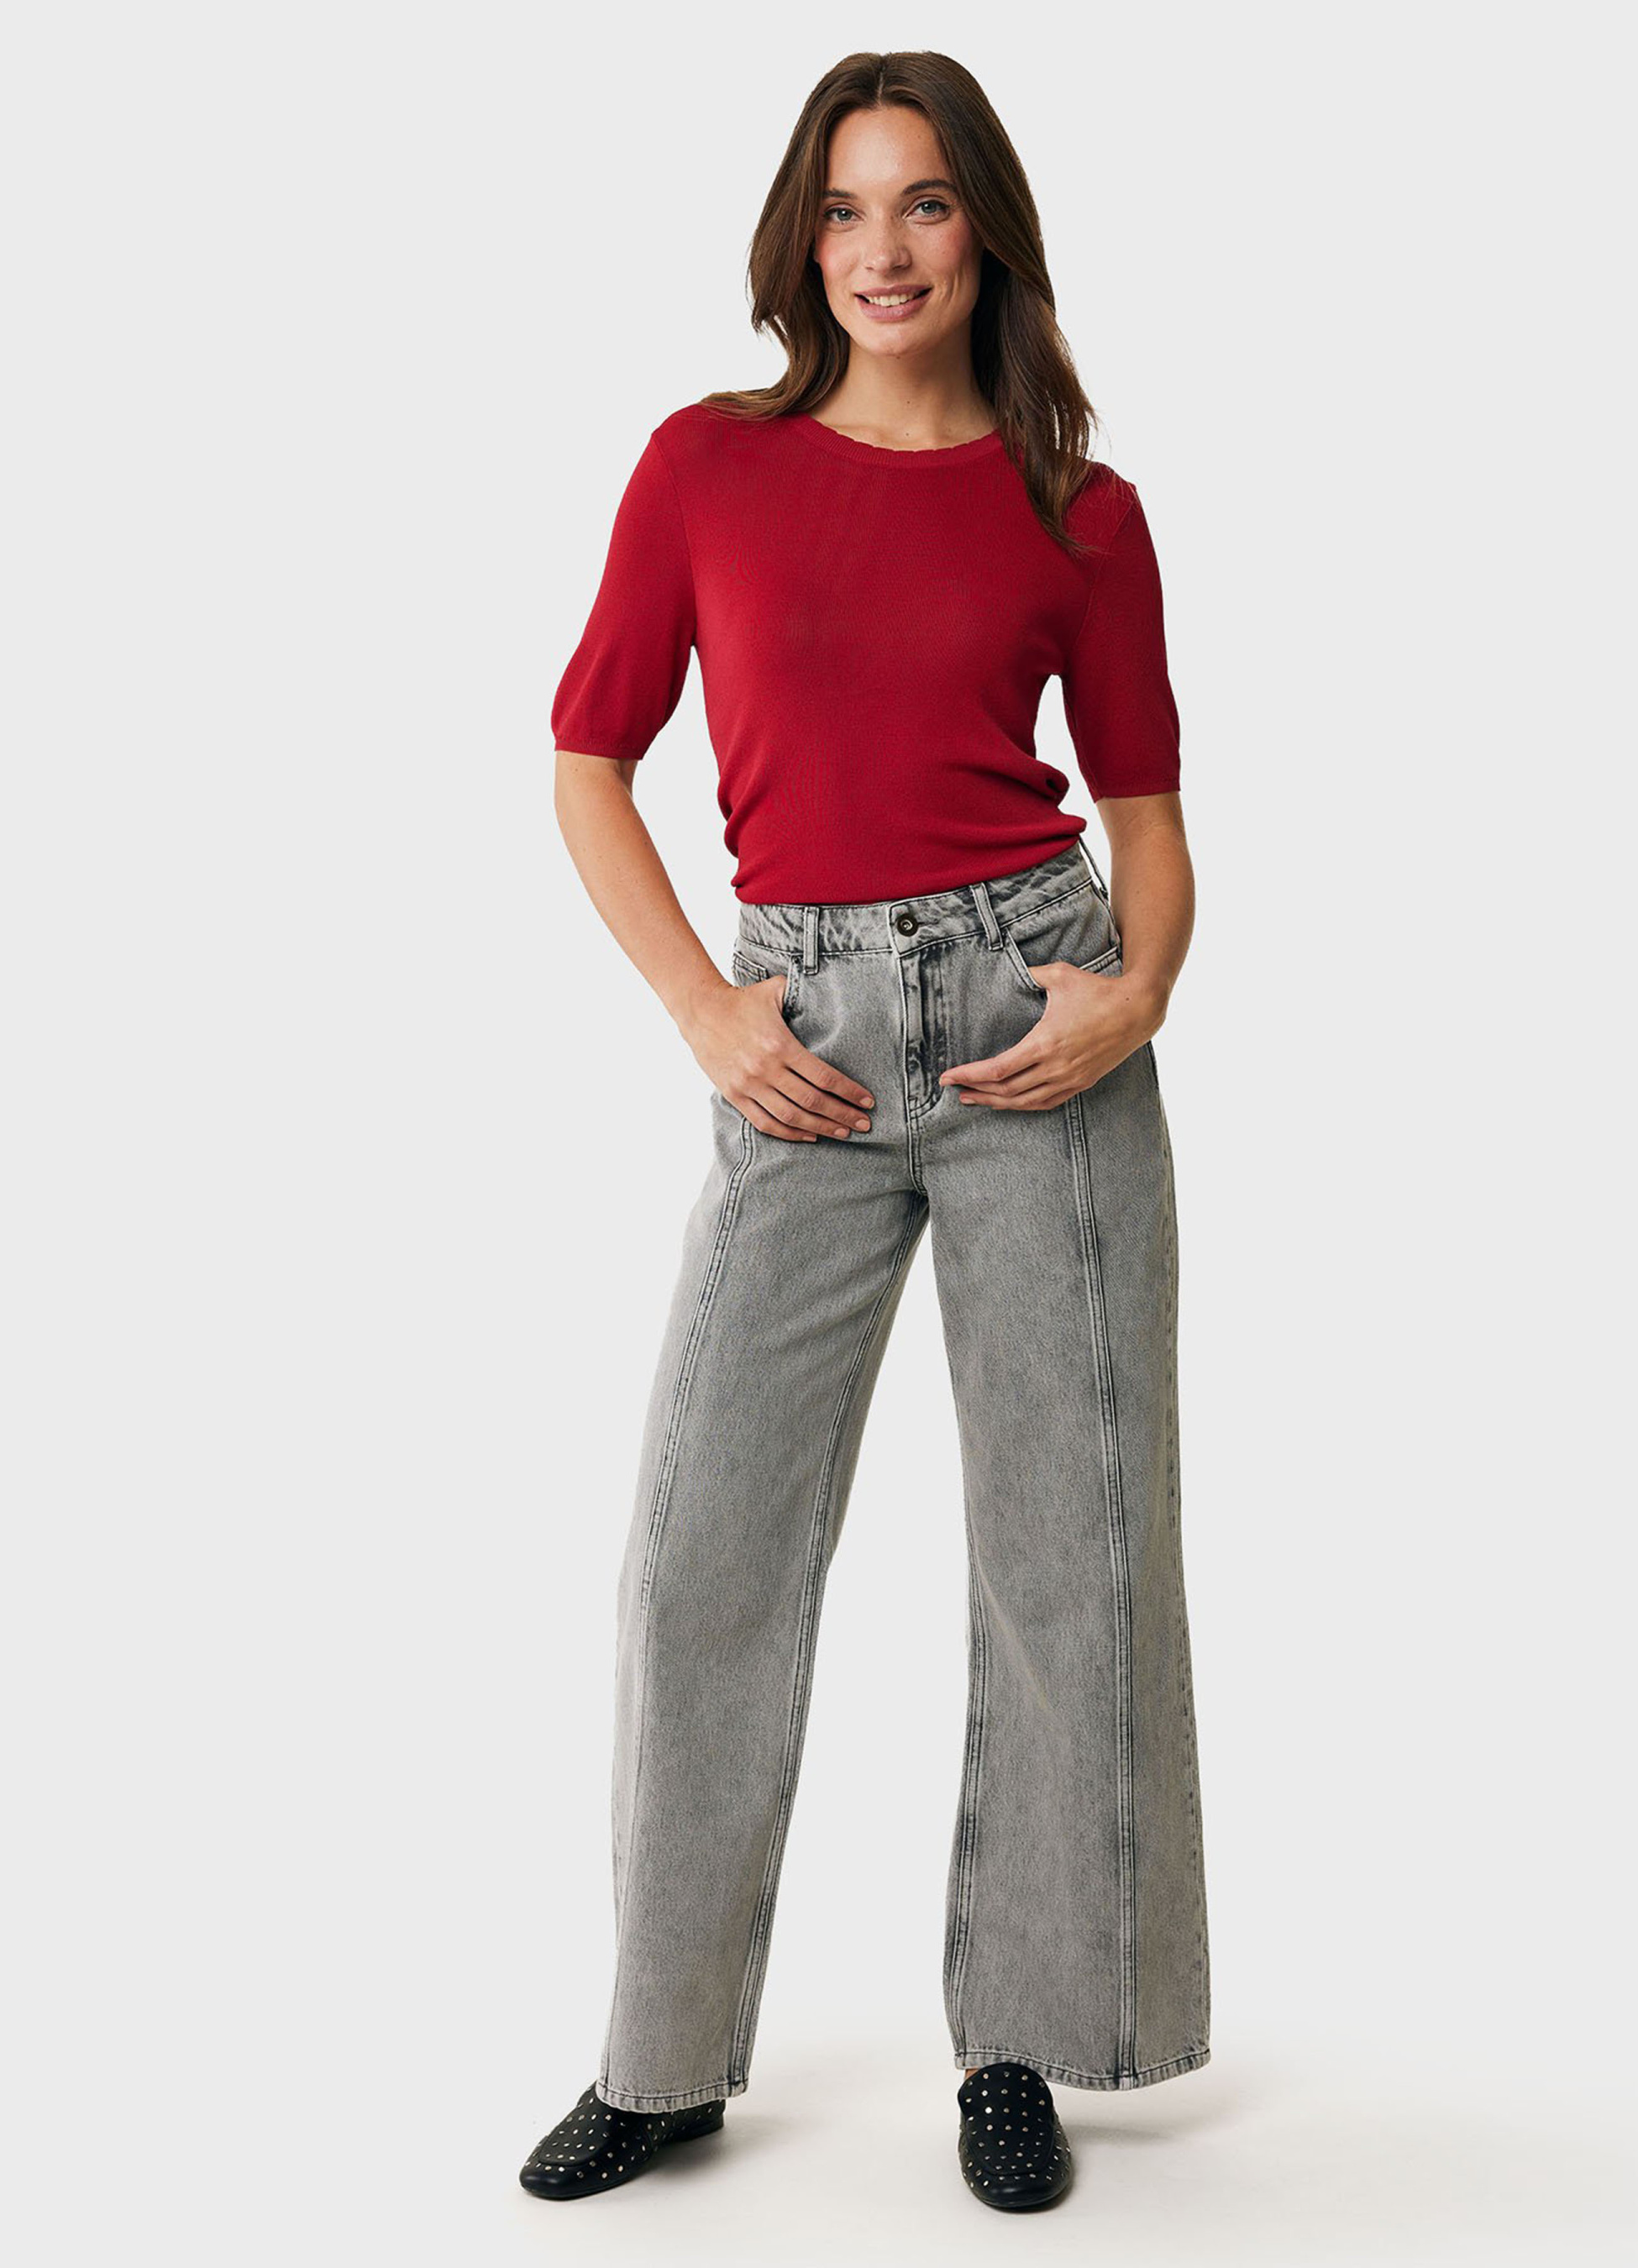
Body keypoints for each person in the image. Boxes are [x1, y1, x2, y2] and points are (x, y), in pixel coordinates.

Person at [519, 49, 1210, 2214]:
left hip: (1033, 1021)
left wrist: (1138, 992)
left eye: (921, 203)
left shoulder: (1080, 504)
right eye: (843, 208)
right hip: (799, 1037)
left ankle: (1022, 2040)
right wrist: (707, 1012)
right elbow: (586, 760)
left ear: (982, 226)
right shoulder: (704, 468)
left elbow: (1149, 816)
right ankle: (661, 2059)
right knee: (704, 1553)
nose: (882, 249)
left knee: (1070, 1549)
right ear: (799, 239)